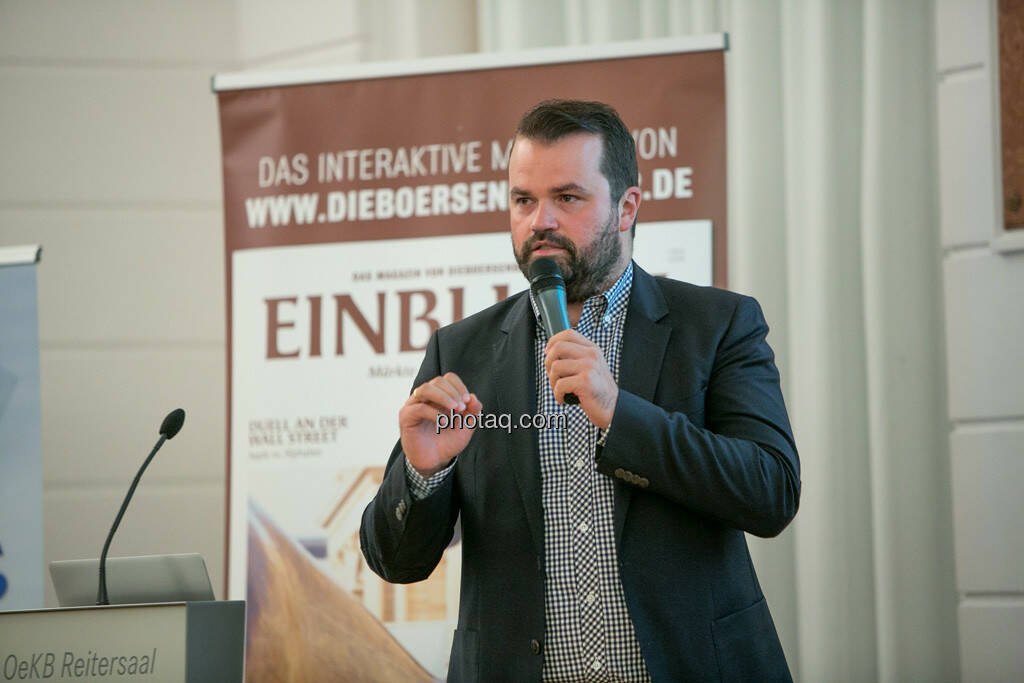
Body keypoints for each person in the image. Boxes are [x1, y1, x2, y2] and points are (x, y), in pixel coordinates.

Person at [360, 100, 800, 682]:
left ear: (627, 207)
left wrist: (619, 413)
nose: (540, 220)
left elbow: (771, 491)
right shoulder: (461, 352)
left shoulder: (716, 325)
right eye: (523, 200)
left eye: (567, 198)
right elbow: (396, 562)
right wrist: (423, 475)